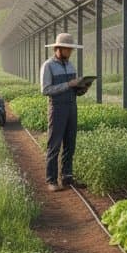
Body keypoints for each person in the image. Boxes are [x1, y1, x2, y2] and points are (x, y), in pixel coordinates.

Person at [39, 33, 85, 191]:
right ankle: (51, 180)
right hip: (57, 108)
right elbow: (45, 90)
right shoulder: (48, 66)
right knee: (54, 145)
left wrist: (82, 88)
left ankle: (67, 177)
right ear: (58, 48)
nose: (70, 52)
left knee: (70, 144)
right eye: (68, 49)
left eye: (71, 49)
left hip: (72, 106)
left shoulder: (70, 65)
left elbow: (74, 89)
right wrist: (68, 84)